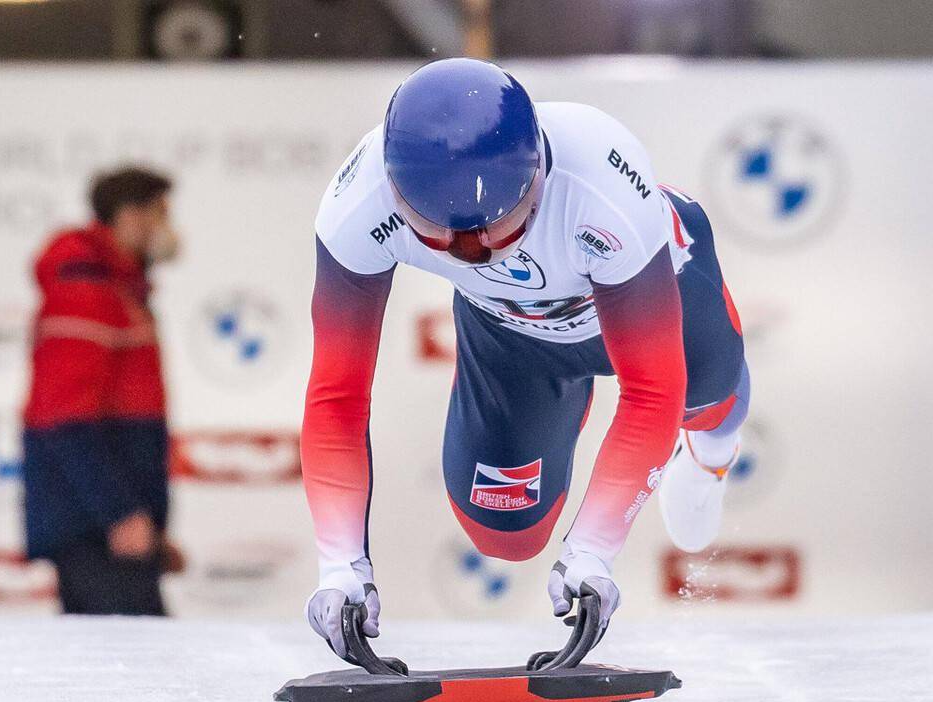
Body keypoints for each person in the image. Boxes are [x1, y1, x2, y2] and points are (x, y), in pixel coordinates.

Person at [303, 59, 749, 658]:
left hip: (654, 286)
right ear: (394, 192)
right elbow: (337, 396)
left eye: (498, 228)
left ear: (538, 177)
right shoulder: (356, 208)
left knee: (707, 398)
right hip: (512, 335)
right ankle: (562, 401)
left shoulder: (602, 191)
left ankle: (713, 451)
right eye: (443, 237)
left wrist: (592, 553)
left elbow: (652, 392)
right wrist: (340, 568)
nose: (475, 252)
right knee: (505, 532)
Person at [22, 166, 184, 615]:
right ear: (129, 216)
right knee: (136, 668)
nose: (167, 227)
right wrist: (121, 514)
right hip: (95, 532)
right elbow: (64, 418)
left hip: (111, 528)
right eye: (160, 212)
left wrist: (146, 518)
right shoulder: (86, 288)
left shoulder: (117, 288)